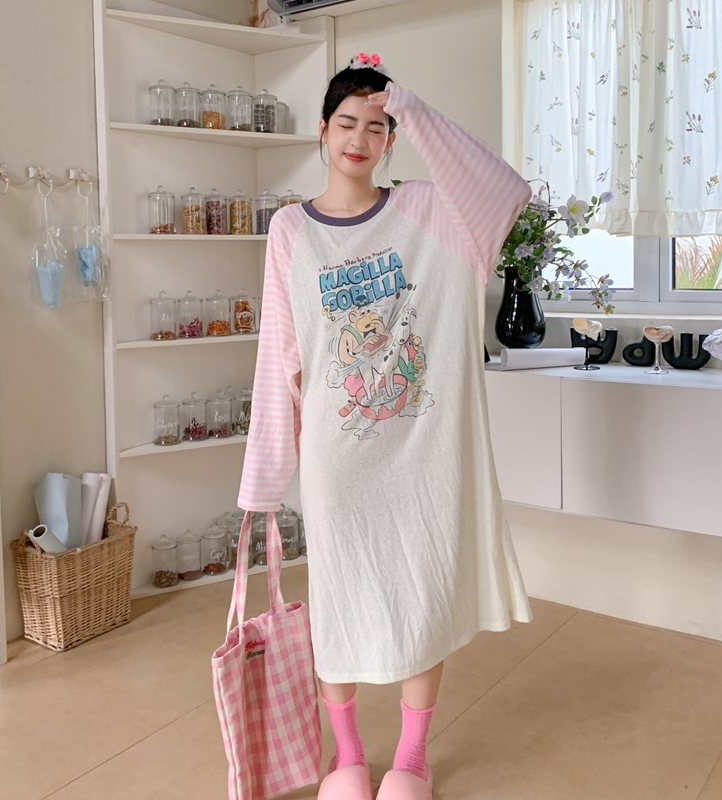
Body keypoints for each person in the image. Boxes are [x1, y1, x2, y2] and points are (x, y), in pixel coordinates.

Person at [237, 52, 534, 800]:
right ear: (321, 131)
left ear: (392, 139)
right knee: (338, 605)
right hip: (337, 462)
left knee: (421, 599)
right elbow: (279, 351)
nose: (359, 140)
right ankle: (347, 758)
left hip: (421, 457)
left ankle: (411, 759)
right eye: (346, 123)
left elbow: (505, 190)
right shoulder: (289, 230)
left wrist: (415, 107)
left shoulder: (431, 213)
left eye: (377, 127)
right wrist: (266, 475)